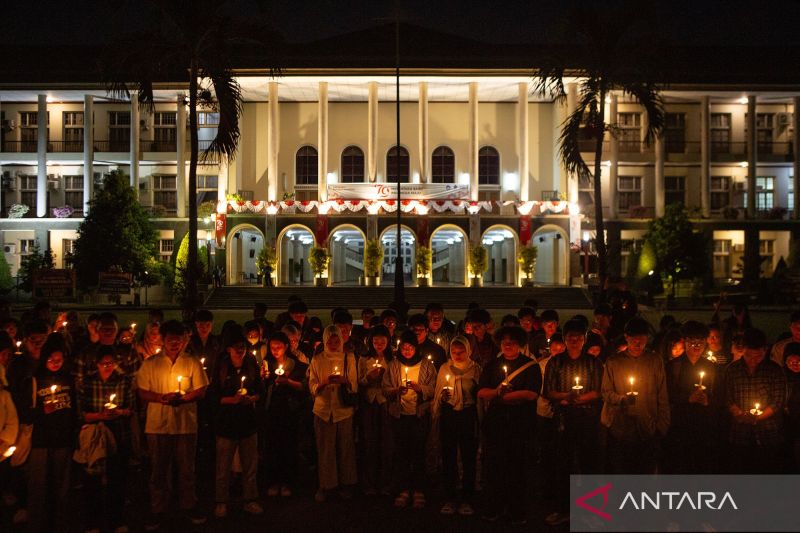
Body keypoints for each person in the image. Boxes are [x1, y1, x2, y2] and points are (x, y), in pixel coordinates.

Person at [136, 319, 209, 529]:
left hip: (185, 424)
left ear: (185, 340)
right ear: (163, 340)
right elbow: (142, 391)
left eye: (179, 340)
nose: (175, 343)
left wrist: (184, 399)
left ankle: (189, 505)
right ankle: (158, 508)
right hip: (158, 425)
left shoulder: (191, 362)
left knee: (187, 469)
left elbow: (201, 389)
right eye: (170, 340)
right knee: (159, 469)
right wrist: (162, 398)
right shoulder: (151, 364)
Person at [477, 326, 540, 526]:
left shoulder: (530, 366)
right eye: (504, 341)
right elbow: (481, 391)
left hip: (520, 425)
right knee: (495, 467)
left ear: (520, 344)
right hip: (496, 424)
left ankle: (517, 509)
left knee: (518, 468)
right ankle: (494, 506)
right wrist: (498, 393)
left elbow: (531, 394)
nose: (508, 345)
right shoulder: (492, 365)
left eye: (512, 341)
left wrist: (504, 396)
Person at [543, 319, 603, 527]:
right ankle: (564, 508)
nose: (575, 341)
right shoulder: (556, 362)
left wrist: (580, 398)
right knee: (563, 464)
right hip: (563, 418)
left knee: (588, 464)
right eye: (570, 337)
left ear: (585, 339)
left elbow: (598, 390)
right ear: (565, 339)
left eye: (579, 337)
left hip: (587, 418)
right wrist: (567, 396)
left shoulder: (593, 362)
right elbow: (548, 391)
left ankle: (590, 510)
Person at [601, 317, 670, 474]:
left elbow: (662, 395)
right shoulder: (614, 362)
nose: (638, 343)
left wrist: (662, 425)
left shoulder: (654, 360)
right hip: (621, 428)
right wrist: (621, 399)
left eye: (642, 339)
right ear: (626, 337)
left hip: (648, 426)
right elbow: (605, 392)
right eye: (634, 339)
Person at [78, 346, 136, 532]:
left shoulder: (123, 381)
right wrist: (101, 416)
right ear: (97, 364)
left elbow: (130, 410)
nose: (108, 367)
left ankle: (116, 520)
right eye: (104, 364)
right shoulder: (88, 382)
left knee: (116, 481)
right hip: (94, 436)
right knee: (92, 481)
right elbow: (81, 414)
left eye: (111, 363)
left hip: (118, 434)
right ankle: (92, 522)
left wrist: (117, 412)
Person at [209, 332, 264, 519]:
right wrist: (232, 400)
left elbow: (259, 391)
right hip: (226, 423)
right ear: (228, 349)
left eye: (243, 346)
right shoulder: (221, 368)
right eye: (236, 347)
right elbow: (214, 396)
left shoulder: (251, 365)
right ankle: (221, 501)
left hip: (247, 422)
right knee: (223, 466)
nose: (240, 350)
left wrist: (252, 398)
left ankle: (250, 499)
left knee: (250, 465)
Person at [27, 335, 77, 533]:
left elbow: (73, 409)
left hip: (63, 438)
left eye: (59, 359)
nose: (55, 363)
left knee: (61, 484)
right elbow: (25, 411)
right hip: (40, 439)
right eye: (50, 359)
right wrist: (42, 411)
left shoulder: (68, 379)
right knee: (39, 484)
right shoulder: (35, 380)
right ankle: (38, 523)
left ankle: (60, 521)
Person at [382, 330, 436, 509]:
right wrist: (396, 391)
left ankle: (419, 489)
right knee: (401, 453)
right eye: (404, 347)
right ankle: (403, 489)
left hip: (419, 415)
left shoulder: (427, 365)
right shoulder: (393, 365)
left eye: (410, 347)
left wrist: (421, 388)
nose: (407, 351)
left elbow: (433, 387)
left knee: (419, 452)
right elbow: (385, 388)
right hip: (399, 416)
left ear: (416, 348)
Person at [723, 328, 786, 474]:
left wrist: (756, 418)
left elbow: (778, 402)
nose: (753, 360)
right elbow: (727, 397)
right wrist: (739, 414)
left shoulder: (774, 370)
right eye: (748, 356)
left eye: (757, 356)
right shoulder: (732, 370)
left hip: (768, 433)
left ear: (765, 350)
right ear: (743, 350)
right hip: (739, 433)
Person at [307, 325, 358, 502]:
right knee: (325, 449)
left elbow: (354, 384)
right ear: (325, 340)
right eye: (330, 340)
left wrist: (344, 381)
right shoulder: (317, 359)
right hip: (323, 410)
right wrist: (323, 384)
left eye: (337, 340)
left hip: (343, 410)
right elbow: (312, 386)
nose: (334, 343)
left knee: (346, 449)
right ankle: (327, 485)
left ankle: (347, 483)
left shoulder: (348, 357)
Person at [432, 335, 480, 517]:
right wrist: (443, 398)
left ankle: (467, 497)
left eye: (461, 352)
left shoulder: (475, 369)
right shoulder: (445, 367)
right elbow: (438, 392)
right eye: (454, 351)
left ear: (468, 351)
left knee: (468, 456)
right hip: (450, 414)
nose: (457, 355)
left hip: (468, 415)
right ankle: (450, 497)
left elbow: (480, 396)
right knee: (449, 455)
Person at [664, 321, 719, 474]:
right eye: (692, 342)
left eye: (700, 342)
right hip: (679, 423)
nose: (696, 346)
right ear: (685, 342)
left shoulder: (711, 367)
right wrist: (688, 398)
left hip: (703, 424)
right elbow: (666, 394)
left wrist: (708, 400)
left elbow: (718, 394)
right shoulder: (673, 366)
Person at [263, 331, 308, 498]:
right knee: (273, 447)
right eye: (272, 347)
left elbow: (304, 387)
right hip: (272, 411)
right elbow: (262, 387)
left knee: (289, 446)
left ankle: (288, 482)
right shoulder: (267, 365)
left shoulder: (296, 365)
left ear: (286, 347)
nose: (275, 350)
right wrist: (265, 380)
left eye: (279, 347)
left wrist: (288, 382)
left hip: (289, 410)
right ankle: (274, 481)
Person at [357, 325, 392, 496]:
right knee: (369, 442)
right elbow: (358, 382)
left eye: (382, 340)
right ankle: (368, 483)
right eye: (376, 340)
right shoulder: (364, 359)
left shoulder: (392, 359)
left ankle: (385, 482)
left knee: (385, 443)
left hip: (385, 402)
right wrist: (368, 378)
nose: (379, 343)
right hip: (369, 402)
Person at [783, 342, 800, 472]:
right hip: (786, 420)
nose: (795, 364)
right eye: (790, 361)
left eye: (799, 361)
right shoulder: (781, 377)